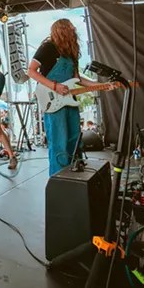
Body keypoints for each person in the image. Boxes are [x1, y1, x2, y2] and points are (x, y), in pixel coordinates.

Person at [27, 19, 100, 176]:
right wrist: (55, 86)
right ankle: (58, 177)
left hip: (70, 102)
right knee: (59, 141)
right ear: (61, 30)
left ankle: (75, 172)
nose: (74, 31)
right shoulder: (47, 47)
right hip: (53, 101)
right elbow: (31, 71)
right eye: (70, 28)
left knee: (74, 138)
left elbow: (77, 79)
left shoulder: (71, 53)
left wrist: (100, 85)